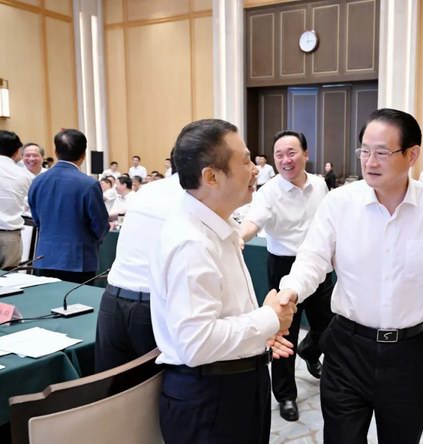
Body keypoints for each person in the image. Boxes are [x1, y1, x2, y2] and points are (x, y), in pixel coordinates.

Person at [277, 108, 423, 443]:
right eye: (364, 151)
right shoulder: (339, 202)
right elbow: (312, 259)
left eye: (382, 153)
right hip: (347, 349)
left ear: (412, 155)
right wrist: (291, 291)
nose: (370, 162)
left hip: (408, 354)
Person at [150, 119, 295, 443]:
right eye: (245, 161)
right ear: (211, 177)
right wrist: (269, 318)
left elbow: (220, 315)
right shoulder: (191, 242)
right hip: (210, 396)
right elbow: (197, 343)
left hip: (233, 384)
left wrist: (260, 332)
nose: (255, 169)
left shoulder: (216, 225)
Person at [240, 130, 334, 422]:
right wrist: (238, 238)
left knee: (329, 327)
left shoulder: (320, 185)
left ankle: (310, 351)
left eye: (291, 153)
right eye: (279, 155)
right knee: (283, 333)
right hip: (284, 266)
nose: (285, 160)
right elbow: (253, 221)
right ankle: (285, 395)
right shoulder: (268, 192)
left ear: (305, 154)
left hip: (320, 266)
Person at [95, 153, 183, 372]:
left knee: (112, 383)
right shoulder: (194, 197)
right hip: (151, 306)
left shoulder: (149, 190)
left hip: (113, 299)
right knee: (155, 383)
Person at [28, 129, 109, 283]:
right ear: (83, 155)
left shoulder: (38, 181)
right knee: (78, 298)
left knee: (47, 297)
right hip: (78, 259)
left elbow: (36, 219)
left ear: (56, 152)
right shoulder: (88, 184)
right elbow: (100, 223)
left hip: (45, 256)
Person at [0, 130, 31, 269]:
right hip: (10, 237)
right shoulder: (23, 175)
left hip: (10, 233)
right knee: (9, 277)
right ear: (17, 151)